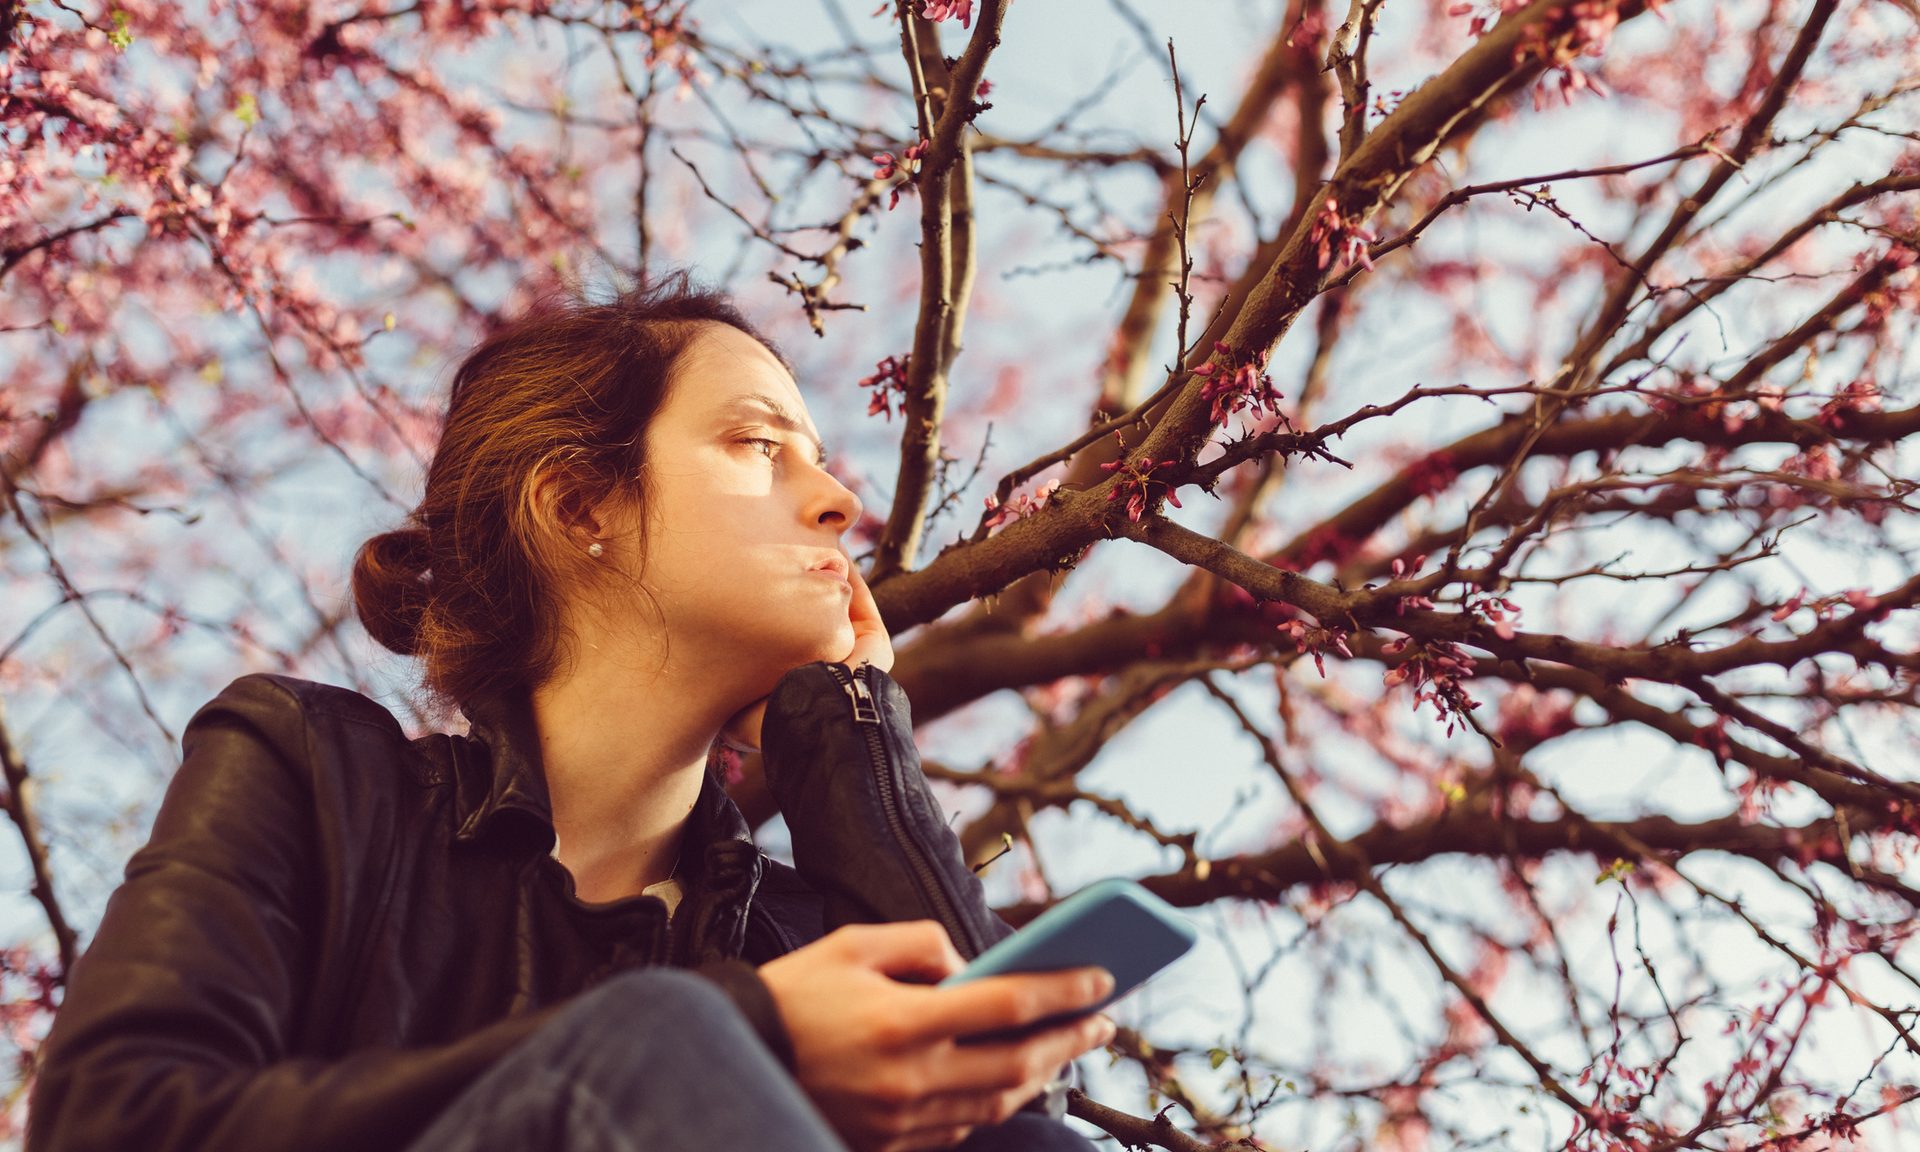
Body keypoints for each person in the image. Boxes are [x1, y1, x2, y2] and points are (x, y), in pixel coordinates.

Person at [23, 270, 1115, 1152]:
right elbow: (112, 1122)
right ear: (578, 503)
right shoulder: (313, 774)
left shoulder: (801, 937)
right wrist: (740, 1038)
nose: (837, 502)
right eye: (758, 445)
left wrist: (853, 735)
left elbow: (1017, 1119)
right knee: (662, 1038)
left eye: (820, 463)